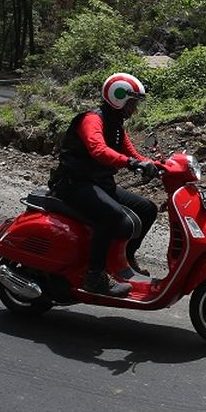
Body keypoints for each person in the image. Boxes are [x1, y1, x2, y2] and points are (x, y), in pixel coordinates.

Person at [49, 73, 162, 296]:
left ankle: (125, 260)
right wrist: (131, 164)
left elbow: (130, 152)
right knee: (112, 214)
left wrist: (158, 165)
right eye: (132, 103)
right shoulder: (92, 119)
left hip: (99, 182)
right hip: (74, 183)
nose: (135, 109)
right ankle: (95, 276)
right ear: (118, 98)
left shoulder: (116, 124)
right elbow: (98, 150)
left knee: (147, 208)